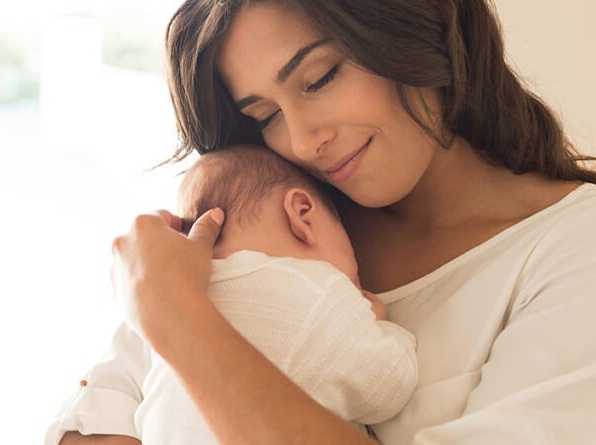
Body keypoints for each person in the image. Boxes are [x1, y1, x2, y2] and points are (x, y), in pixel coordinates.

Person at [60, 1, 596, 444]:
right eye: (265, 117)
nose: (301, 141)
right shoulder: (274, 227)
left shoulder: (572, 249)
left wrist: (177, 317)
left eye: (319, 79)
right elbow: (89, 425)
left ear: (410, 25)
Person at [45, 145, 418, 445]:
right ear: (303, 214)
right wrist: (379, 325)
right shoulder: (316, 291)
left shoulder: (162, 305)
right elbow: (387, 388)